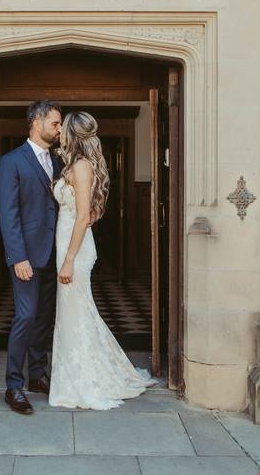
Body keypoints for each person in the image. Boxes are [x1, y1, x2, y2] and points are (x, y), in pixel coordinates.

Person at [48, 111, 157, 410]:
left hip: (75, 249)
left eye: (62, 129)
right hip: (67, 242)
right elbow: (90, 212)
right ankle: (75, 375)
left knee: (76, 313)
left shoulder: (81, 167)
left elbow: (84, 215)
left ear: (72, 134)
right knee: (75, 313)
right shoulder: (73, 164)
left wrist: (69, 260)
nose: (58, 133)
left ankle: (84, 381)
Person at [0, 100, 62, 415]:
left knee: (43, 318)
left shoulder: (58, 161)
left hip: (52, 254)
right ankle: (13, 385)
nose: (59, 129)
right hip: (26, 256)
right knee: (25, 316)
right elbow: (8, 215)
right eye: (55, 123)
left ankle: (38, 375)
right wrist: (17, 257)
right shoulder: (13, 161)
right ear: (36, 123)